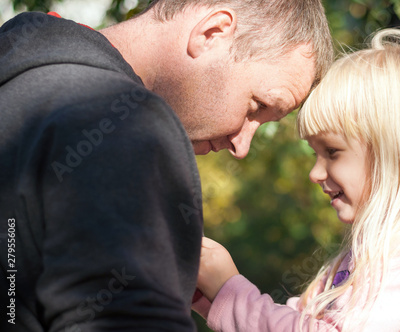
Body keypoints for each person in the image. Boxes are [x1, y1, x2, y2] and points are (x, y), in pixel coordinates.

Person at [0, 0, 333, 331]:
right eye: (255, 107)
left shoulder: (22, 71)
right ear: (212, 32)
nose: (241, 146)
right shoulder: (124, 125)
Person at [193, 28, 400, 331]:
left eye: (332, 151)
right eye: (315, 153)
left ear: (399, 154)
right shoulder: (374, 254)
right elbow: (299, 323)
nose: (315, 173)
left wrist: (227, 291)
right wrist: (211, 295)